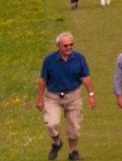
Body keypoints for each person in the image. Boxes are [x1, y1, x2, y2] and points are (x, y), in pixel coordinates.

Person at [36, 32, 94, 161]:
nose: (69, 48)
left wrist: (91, 94)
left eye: (71, 45)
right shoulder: (49, 60)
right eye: (65, 45)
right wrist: (39, 98)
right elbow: (42, 80)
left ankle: (73, 152)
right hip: (53, 96)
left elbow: (86, 77)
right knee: (52, 124)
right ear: (58, 46)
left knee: (74, 127)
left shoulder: (79, 58)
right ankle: (56, 143)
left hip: (73, 96)